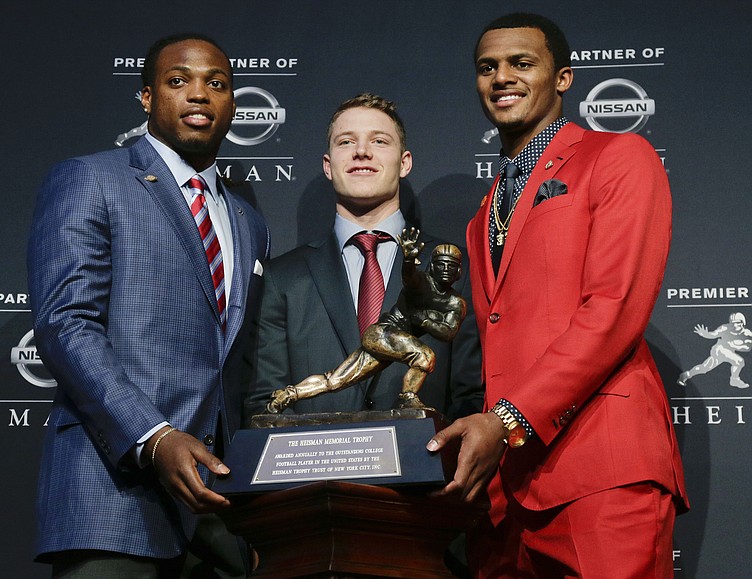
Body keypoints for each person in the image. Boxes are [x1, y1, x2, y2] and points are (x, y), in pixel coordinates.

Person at [425, 13, 689, 577]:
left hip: (601, 472)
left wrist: (506, 419)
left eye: (522, 63)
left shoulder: (618, 157)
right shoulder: (482, 216)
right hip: (502, 501)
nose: (502, 77)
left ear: (563, 78)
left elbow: (614, 308)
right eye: (487, 67)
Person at [28, 33, 270, 577]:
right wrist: (155, 437)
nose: (199, 95)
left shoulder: (248, 219)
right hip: (113, 497)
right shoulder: (91, 179)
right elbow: (67, 324)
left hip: (218, 514)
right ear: (145, 97)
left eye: (218, 83)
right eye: (178, 81)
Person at [244, 93, 482, 423]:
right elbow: (263, 403)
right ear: (328, 166)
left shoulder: (456, 269)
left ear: (404, 162)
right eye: (346, 142)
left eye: (379, 141)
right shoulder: (282, 277)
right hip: (313, 471)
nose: (361, 152)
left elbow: (471, 396)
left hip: (428, 469)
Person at [265, 228, 467, 413]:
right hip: (382, 333)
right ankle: (407, 398)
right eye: (441, 264)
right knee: (425, 355)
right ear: (432, 266)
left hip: (390, 345)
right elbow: (410, 278)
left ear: (459, 271)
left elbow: (448, 332)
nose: (446, 270)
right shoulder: (423, 283)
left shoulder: (455, 302)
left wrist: (422, 320)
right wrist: (408, 260)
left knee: (335, 380)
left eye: (451, 266)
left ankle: (289, 395)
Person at [678, 312, 752, 389]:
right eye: (733, 323)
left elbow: (748, 348)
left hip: (728, 352)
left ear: (742, 323)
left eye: (737, 323)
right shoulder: (725, 328)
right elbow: (713, 334)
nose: (735, 325)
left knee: (704, 368)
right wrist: (705, 334)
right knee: (739, 361)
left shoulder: (747, 334)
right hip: (719, 349)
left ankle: (686, 375)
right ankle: (734, 380)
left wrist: (736, 346)